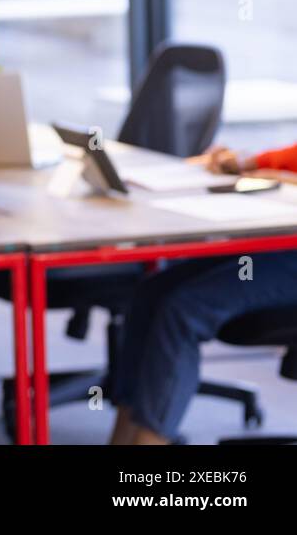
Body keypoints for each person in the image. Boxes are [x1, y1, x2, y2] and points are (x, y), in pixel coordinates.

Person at [108, 139, 297, 444]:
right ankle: (121, 438)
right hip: (287, 242)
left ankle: (149, 446)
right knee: (153, 293)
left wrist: (279, 179)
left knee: (184, 309)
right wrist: (248, 162)